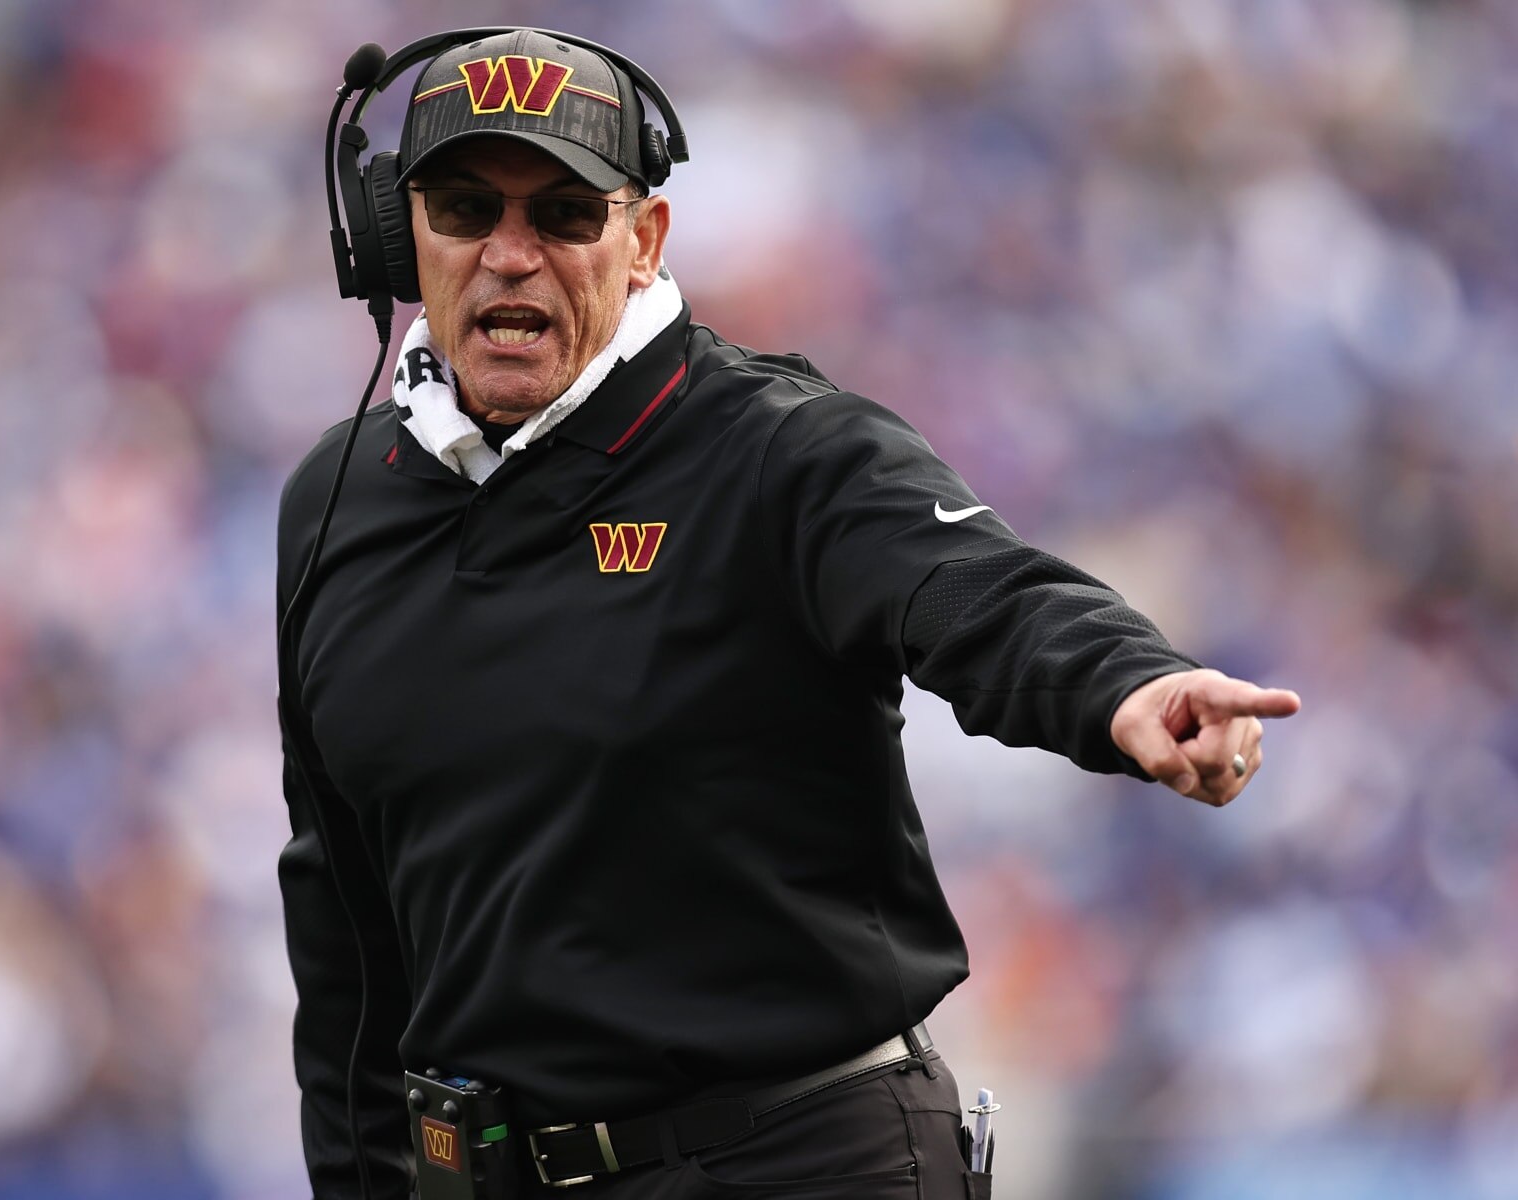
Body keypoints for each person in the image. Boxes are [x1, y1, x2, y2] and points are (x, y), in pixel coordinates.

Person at [276, 27, 1300, 1200]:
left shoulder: (781, 450)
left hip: (801, 1163)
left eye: (564, 214)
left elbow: (971, 587)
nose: (511, 255)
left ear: (642, 240)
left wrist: (1125, 684)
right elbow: (343, 928)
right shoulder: (337, 502)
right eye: (466, 209)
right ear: (398, 233)